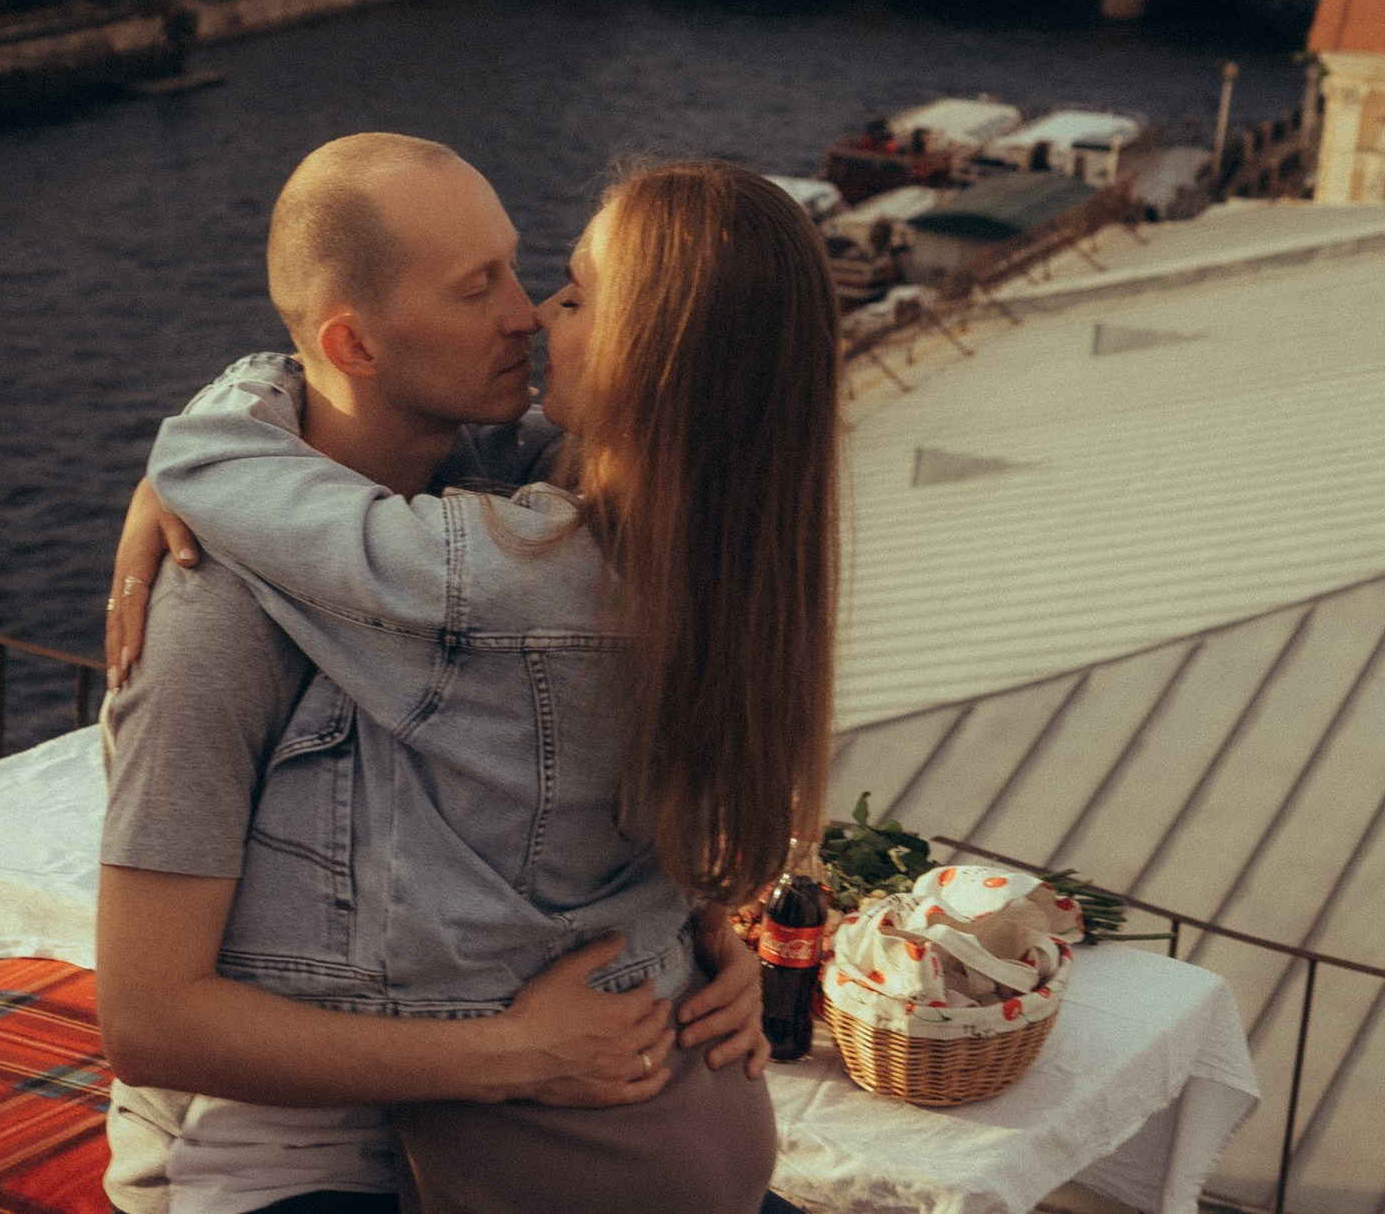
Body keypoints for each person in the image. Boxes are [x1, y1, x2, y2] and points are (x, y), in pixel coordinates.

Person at [100, 137, 839, 1214]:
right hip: (293, 1147)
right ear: (354, 343)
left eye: (541, 278)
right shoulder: (216, 604)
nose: (530, 313)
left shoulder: (519, 518)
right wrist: (517, 1054)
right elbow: (150, 1023)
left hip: (528, 1125)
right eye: (477, 285)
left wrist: (690, 940)